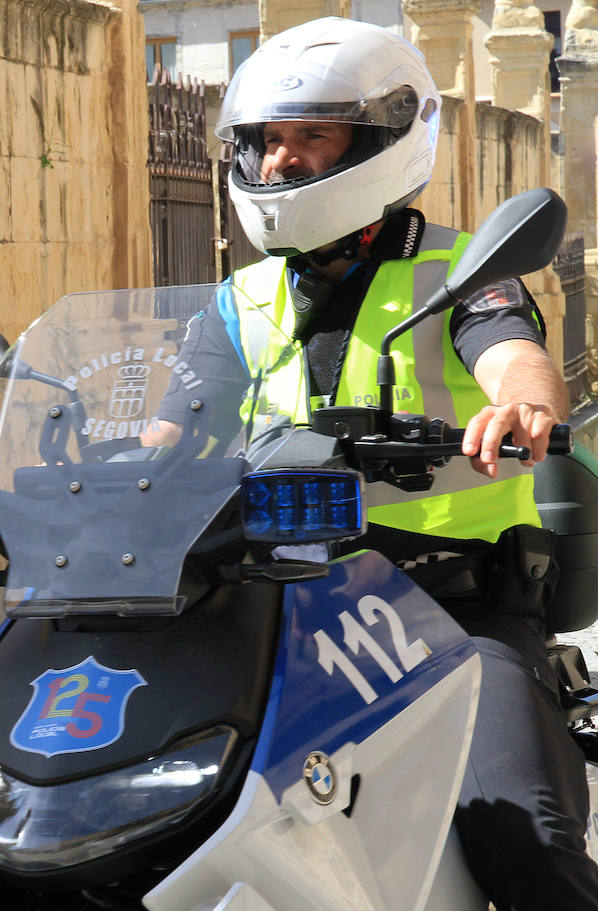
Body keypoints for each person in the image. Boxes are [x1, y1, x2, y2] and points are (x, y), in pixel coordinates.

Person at [152, 18, 598, 910]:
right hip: (271, 606)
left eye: (311, 135)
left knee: (523, 832)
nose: (280, 162)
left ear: (384, 143)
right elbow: (176, 426)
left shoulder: (461, 269)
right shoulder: (240, 299)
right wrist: (103, 471)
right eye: (267, 140)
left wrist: (526, 403)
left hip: (447, 614)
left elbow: (509, 348)